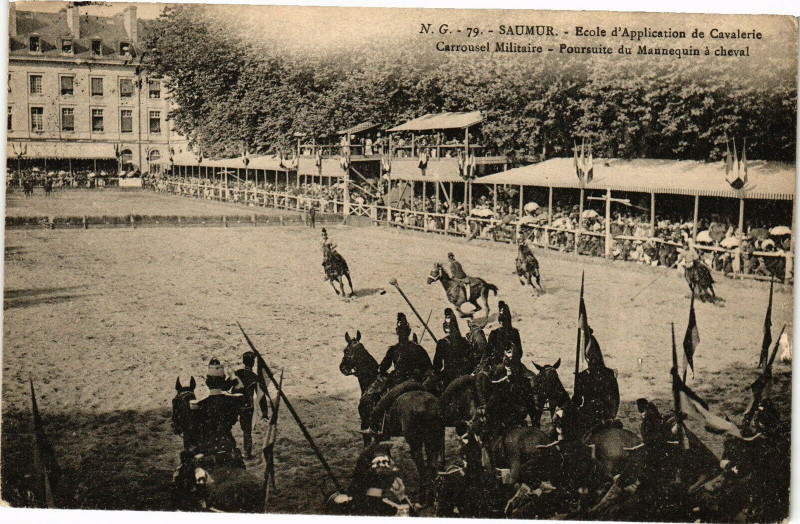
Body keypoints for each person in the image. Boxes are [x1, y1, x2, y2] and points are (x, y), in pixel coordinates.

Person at [362, 313, 433, 436]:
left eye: (400, 331)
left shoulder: (394, 350)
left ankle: (375, 426)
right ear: (409, 332)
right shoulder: (418, 348)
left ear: (398, 332)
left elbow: (383, 369)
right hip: (417, 382)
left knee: (381, 402)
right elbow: (429, 368)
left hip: (399, 384)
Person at [190, 359, 243, 459]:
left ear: (207, 383)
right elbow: (240, 388)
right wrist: (233, 377)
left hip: (208, 446)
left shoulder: (200, 405)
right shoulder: (232, 401)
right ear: (223, 382)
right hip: (227, 442)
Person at [572, 329, 620, 427]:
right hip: (606, 416)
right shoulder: (609, 373)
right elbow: (615, 398)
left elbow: (577, 401)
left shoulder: (583, 375)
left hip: (588, 417)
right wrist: (611, 416)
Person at [227, 352, 260, 459]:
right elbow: (260, 395)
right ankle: (247, 453)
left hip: (233, 404)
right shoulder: (254, 377)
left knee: (227, 427)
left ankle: (230, 450)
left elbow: (225, 386)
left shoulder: (237, 373)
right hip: (247, 406)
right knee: (247, 431)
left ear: (243, 361)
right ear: (253, 363)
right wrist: (264, 411)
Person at [433, 308, 473, 387]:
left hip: (450, 378)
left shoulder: (442, 343)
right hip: (465, 375)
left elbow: (437, 366)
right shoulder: (464, 341)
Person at [480, 301, 524, 370]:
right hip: (498, 365)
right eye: (503, 321)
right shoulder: (494, 333)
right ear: (500, 321)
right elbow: (488, 352)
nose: (505, 323)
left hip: (512, 365)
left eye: (506, 321)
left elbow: (520, 352)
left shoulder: (514, 333)